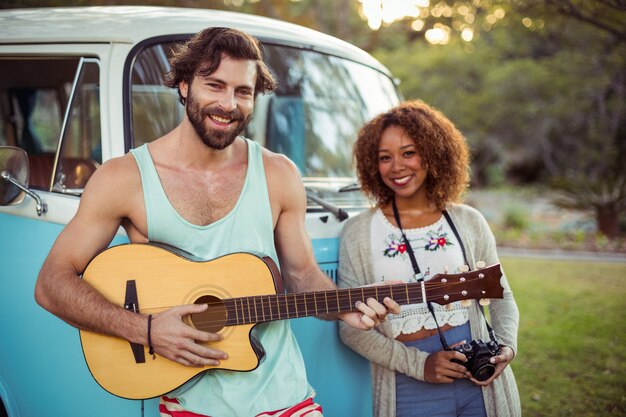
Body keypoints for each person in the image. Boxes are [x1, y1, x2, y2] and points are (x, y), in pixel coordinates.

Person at [34, 27, 398, 417]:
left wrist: (347, 305)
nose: (229, 104)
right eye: (215, 85)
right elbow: (51, 284)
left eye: (243, 92)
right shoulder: (124, 178)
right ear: (184, 85)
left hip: (286, 397)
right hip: (188, 402)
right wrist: (147, 331)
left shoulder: (278, 174)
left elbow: (302, 274)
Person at [337, 100, 521, 417]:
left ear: (433, 153)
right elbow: (351, 329)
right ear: (372, 165)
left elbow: (501, 294)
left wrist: (505, 347)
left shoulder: (468, 221)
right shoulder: (357, 232)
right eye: (385, 157)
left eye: (409, 152)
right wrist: (421, 365)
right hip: (408, 388)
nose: (397, 167)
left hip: (480, 382)